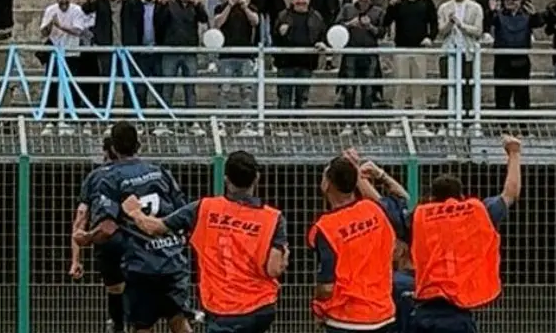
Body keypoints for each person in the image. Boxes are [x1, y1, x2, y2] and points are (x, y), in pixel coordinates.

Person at [122, 150, 289, 333]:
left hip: (222, 308)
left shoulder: (204, 208)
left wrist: (135, 212)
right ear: (257, 178)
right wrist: (285, 256)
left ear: (226, 179)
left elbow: (154, 227)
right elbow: (274, 269)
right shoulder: (273, 218)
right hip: (260, 307)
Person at [73, 121, 191, 333]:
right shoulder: (160, 172)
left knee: (142, 326)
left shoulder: (110, 178)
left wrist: (87, 237)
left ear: (113, 148)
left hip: (141, 263)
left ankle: (116, 322)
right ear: (138, 145)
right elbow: (182, 215)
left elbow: (107, 227)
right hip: (171, 259)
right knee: (178, 321)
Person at [407, 136, 521, 333]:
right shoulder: (478, 212)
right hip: (458, 311)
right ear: (461, 196)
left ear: (432, 198)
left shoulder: (420, 216)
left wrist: (371, 177)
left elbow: (387, 210)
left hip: (425, 309)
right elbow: (510, 192)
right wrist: (514, 153)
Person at [309, 149, 410, 333]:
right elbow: (402, 199)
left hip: (346, 319)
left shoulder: (326, 227)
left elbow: (326, 287)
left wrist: (318, 307)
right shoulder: (376, 211)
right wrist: (371, 174)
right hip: (383, 314)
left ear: (326, 184)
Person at [68, 138, 126, 333]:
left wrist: (75, 260)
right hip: (134, 239)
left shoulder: (94, 177)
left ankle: (117, 324)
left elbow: (81, 218)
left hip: (106, 240)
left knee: (115, 288)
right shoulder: (137, 172)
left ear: (106, 152)